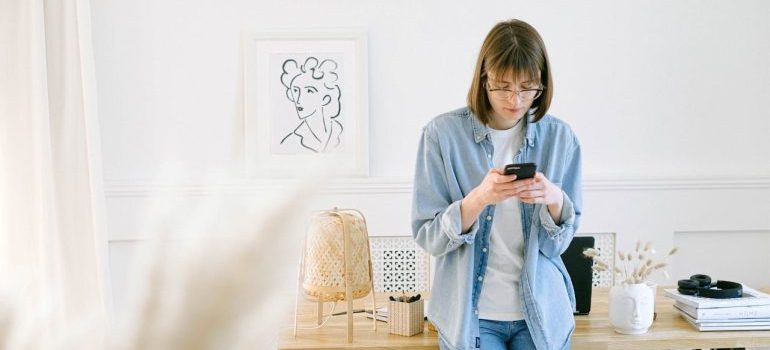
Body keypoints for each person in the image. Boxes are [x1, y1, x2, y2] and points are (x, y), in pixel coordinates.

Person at [411, 19, 582, 350]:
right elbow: (427, 235)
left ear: (542, 84)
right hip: (472, 315)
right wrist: (477, 200)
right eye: (503, 86)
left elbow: (557, 246)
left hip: (541, 314)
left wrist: (554, 200)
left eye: (528, 87)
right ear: (483, 79)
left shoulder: (561, 139)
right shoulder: (441, 136)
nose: (516, 100)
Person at [279, 57, 343, 153]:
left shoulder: (341, 133)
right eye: (295, 90)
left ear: (325, 99)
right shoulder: (290, 142)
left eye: (309, 91)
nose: (299, 99)